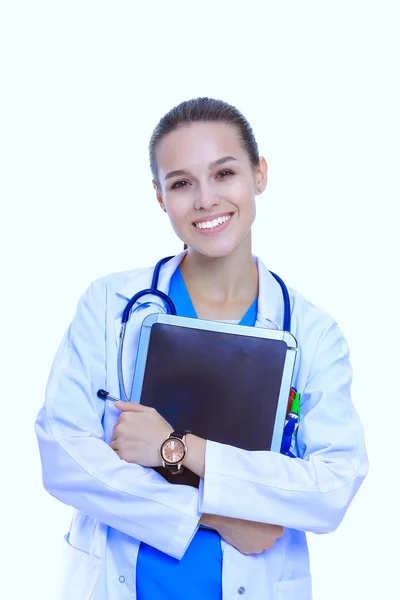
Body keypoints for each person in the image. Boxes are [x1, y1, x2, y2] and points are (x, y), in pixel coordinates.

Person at [34, 97, 368, 600]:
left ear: (260, 174)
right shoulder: (109, 305)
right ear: (159, 196)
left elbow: (331, 488)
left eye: (224, 173)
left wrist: (179, 449)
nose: (206, 199)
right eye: (182, 183)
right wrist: (213, 513)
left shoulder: (314, 333)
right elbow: (64, 455)